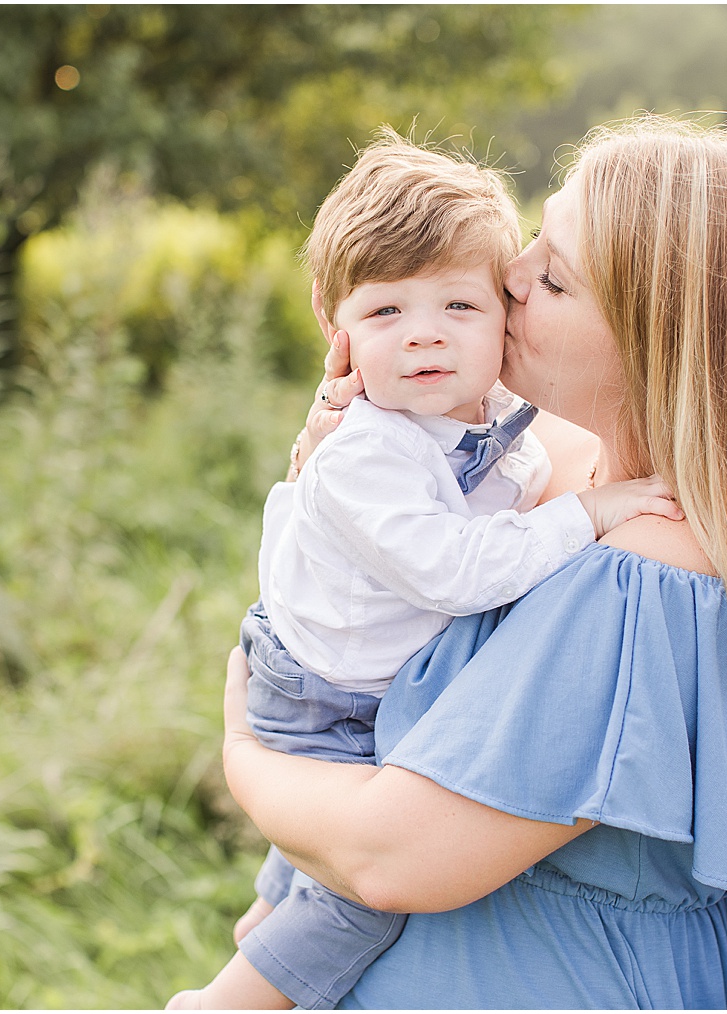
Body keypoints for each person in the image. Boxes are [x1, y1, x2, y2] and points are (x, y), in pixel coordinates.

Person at [218, 116, 727, 1008]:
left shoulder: (654, 568)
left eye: (556, 277)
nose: (511, 277)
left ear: (656, 337)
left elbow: (393, 853)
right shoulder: (552, 468)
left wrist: (241, 750)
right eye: (534, 236)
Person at [168, 135, 682, 1011]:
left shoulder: (491, 417)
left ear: (500, 312)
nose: (425, 336)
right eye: (385, 315)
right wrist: (587, 513)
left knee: (337, 825)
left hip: (366, 671)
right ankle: (231, 998)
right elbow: (458, 573)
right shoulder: (367, 451)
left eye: (458, 304)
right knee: (355, 901)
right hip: (329, 690)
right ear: (337, 332)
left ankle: (268, 911)